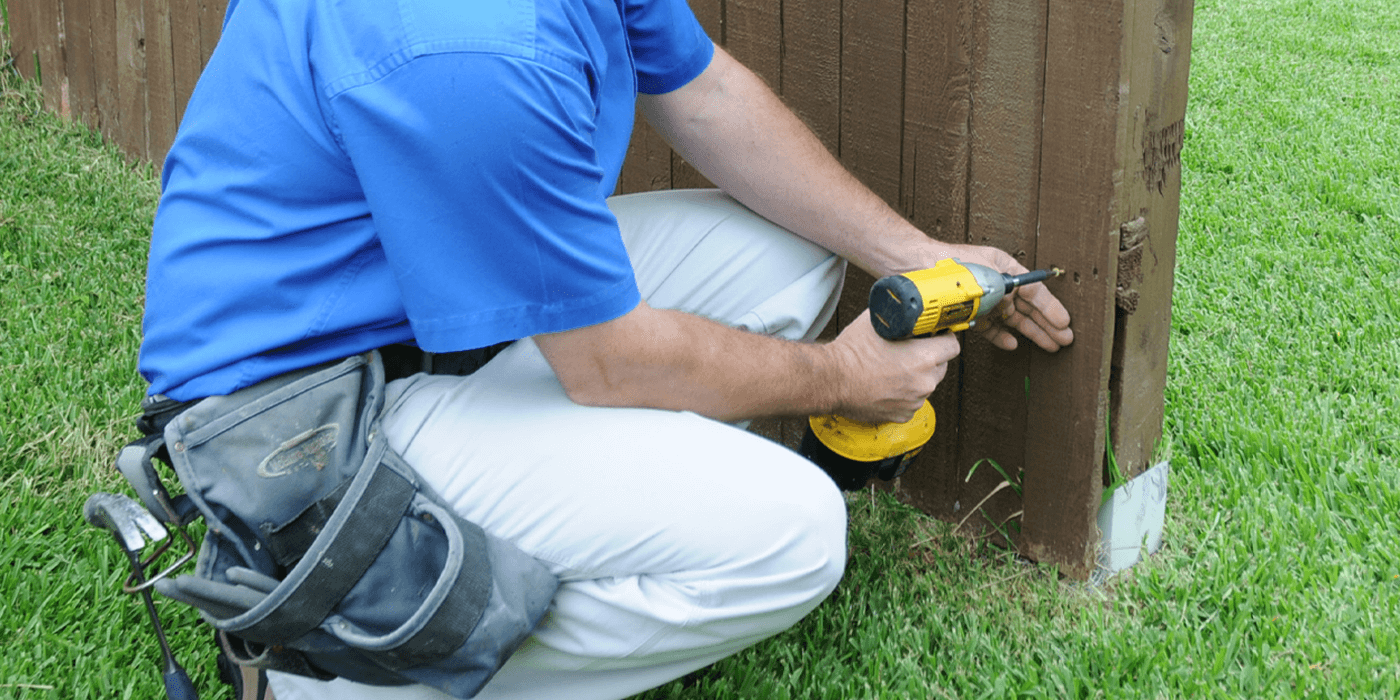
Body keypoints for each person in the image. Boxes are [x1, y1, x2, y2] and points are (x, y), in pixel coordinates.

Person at [138, 0, 1074, 697]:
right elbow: (611, 360)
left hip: (416, 320)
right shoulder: (466, 44)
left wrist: (914, 256)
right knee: (790, 537)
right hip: (305, 425)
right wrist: (843, 378)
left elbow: (703, 91)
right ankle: (341, 666)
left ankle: (561, 511)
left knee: (781, 257)